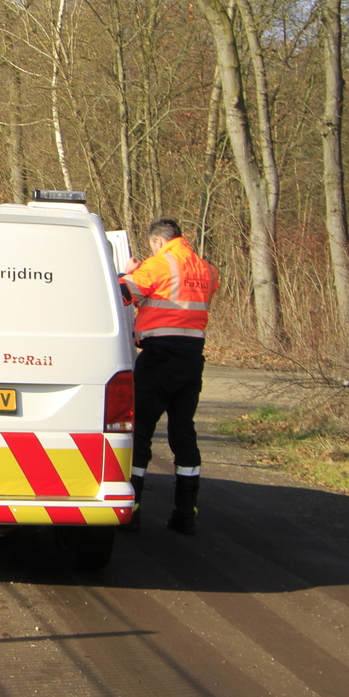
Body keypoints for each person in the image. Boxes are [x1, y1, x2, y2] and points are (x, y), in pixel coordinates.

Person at [119, 218, 219, 534]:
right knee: (183, 432)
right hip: (192, 359)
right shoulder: (206, 269)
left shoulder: (161, 263)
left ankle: (132, 512)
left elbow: (121, 293)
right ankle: (185, 513)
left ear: (158, 242)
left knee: (142, 431)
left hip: (159, 358)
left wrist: (127, 272)